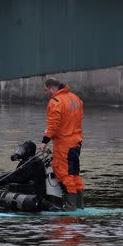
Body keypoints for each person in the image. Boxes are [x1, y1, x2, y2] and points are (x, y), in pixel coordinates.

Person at [0, 140, 62, 212]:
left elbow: (11, 177)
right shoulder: (29, 162)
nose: (19, 152)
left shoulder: (33, 163)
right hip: (28, 196)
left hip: (35, 200)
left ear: (28, 151)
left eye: (22, 150)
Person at [38, 77, 84, 209]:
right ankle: (79, 206)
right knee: (74, 174)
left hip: (64, 144)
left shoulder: (55, 101)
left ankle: (70, 207)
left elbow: (53, 125)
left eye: (46, 90)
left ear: (52, 88)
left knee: (64, 174)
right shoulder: (75, 98)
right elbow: (79, 119)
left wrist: (44, 141)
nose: (45, 93)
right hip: (76, 143)